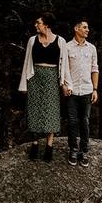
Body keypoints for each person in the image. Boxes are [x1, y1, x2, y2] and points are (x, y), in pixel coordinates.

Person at [18, 12, 73, 162]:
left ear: (47, 25)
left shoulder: (60, 41)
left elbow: (64, 65)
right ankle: (35, 144)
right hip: (35, 77)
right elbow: (27, 62)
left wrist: (65, 84)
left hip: (52, 78)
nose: (36, 25)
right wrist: (24, 84)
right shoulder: (32, 40)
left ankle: (49, 147)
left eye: (39, 23)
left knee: (51, 111)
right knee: (34, 109)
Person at [65, 18, 98, 166]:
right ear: (76, 29)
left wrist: (95, 89)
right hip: (71, 91)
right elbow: (63, 70)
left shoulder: (92, 48)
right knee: (72, 121)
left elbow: (95, 69)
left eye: (88, 28)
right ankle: (73, 149)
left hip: (86, 90)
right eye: (85, 27)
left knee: (85, 121)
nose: (87, 30)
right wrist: (64, 86)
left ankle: (83, 151)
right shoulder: (66, 47)